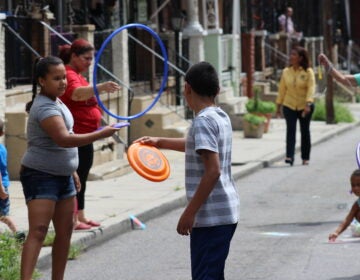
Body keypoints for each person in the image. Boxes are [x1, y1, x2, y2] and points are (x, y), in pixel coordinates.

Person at [20, 56, 124, 280]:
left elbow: (66, 142)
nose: (63, 82)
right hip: (40, 176)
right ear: (41, 81)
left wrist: (72, 171)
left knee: (65, 232)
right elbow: (64, 139)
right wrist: (102, 134)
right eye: (56, 78)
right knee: (38, 231)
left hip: (64, 176)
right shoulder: (44, 107)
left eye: (64, 77)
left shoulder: (58, 102)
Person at [134, 62, 239, 279]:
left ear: (187, 89)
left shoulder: (202, 122)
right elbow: (197, 145)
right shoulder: (220, 116)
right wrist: (159, 141)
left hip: (211, 217)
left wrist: (189, 212)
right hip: (225, 212)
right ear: (217, 91)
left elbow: (213, 171)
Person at [58, 38, 120, 230]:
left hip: (86, 135)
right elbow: (77, 94)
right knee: (76, 179)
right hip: (77, 136)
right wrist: (101, 87)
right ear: (74, 56)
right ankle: (73, 219)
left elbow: (87, 100)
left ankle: (81, 215)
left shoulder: (78, 73)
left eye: (91, 58)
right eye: (86, 58)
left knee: (82, 178)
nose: (89, 62)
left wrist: (101, 123)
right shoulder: (68, 74)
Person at [276, 46, 315, 166]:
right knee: (290, 130)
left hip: (304, 105)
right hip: (289, 105)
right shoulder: (286, 72)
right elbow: (282, 90)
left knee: (305, 131)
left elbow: (311, 88)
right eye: (291, 54)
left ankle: (305, 157)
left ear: (300, 58)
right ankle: (289, 156)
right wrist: (278, 106)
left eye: (294, 54)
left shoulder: (308, 72)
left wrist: (308, 103)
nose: (291, 57)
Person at [0, 118, 25, 241]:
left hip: (0, 187)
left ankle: (17, 233)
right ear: (2, 133)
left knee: (3, 215)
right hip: (4, 185)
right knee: (2, 214)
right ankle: (16, 233)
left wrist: (1, 190)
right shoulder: (2, 148)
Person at [329, 169, 360, 242]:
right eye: (353, 185)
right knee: (357, 213)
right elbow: (348, 219)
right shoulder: (357, 204)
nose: (355, 188)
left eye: (359, 185)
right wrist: (336, 232)